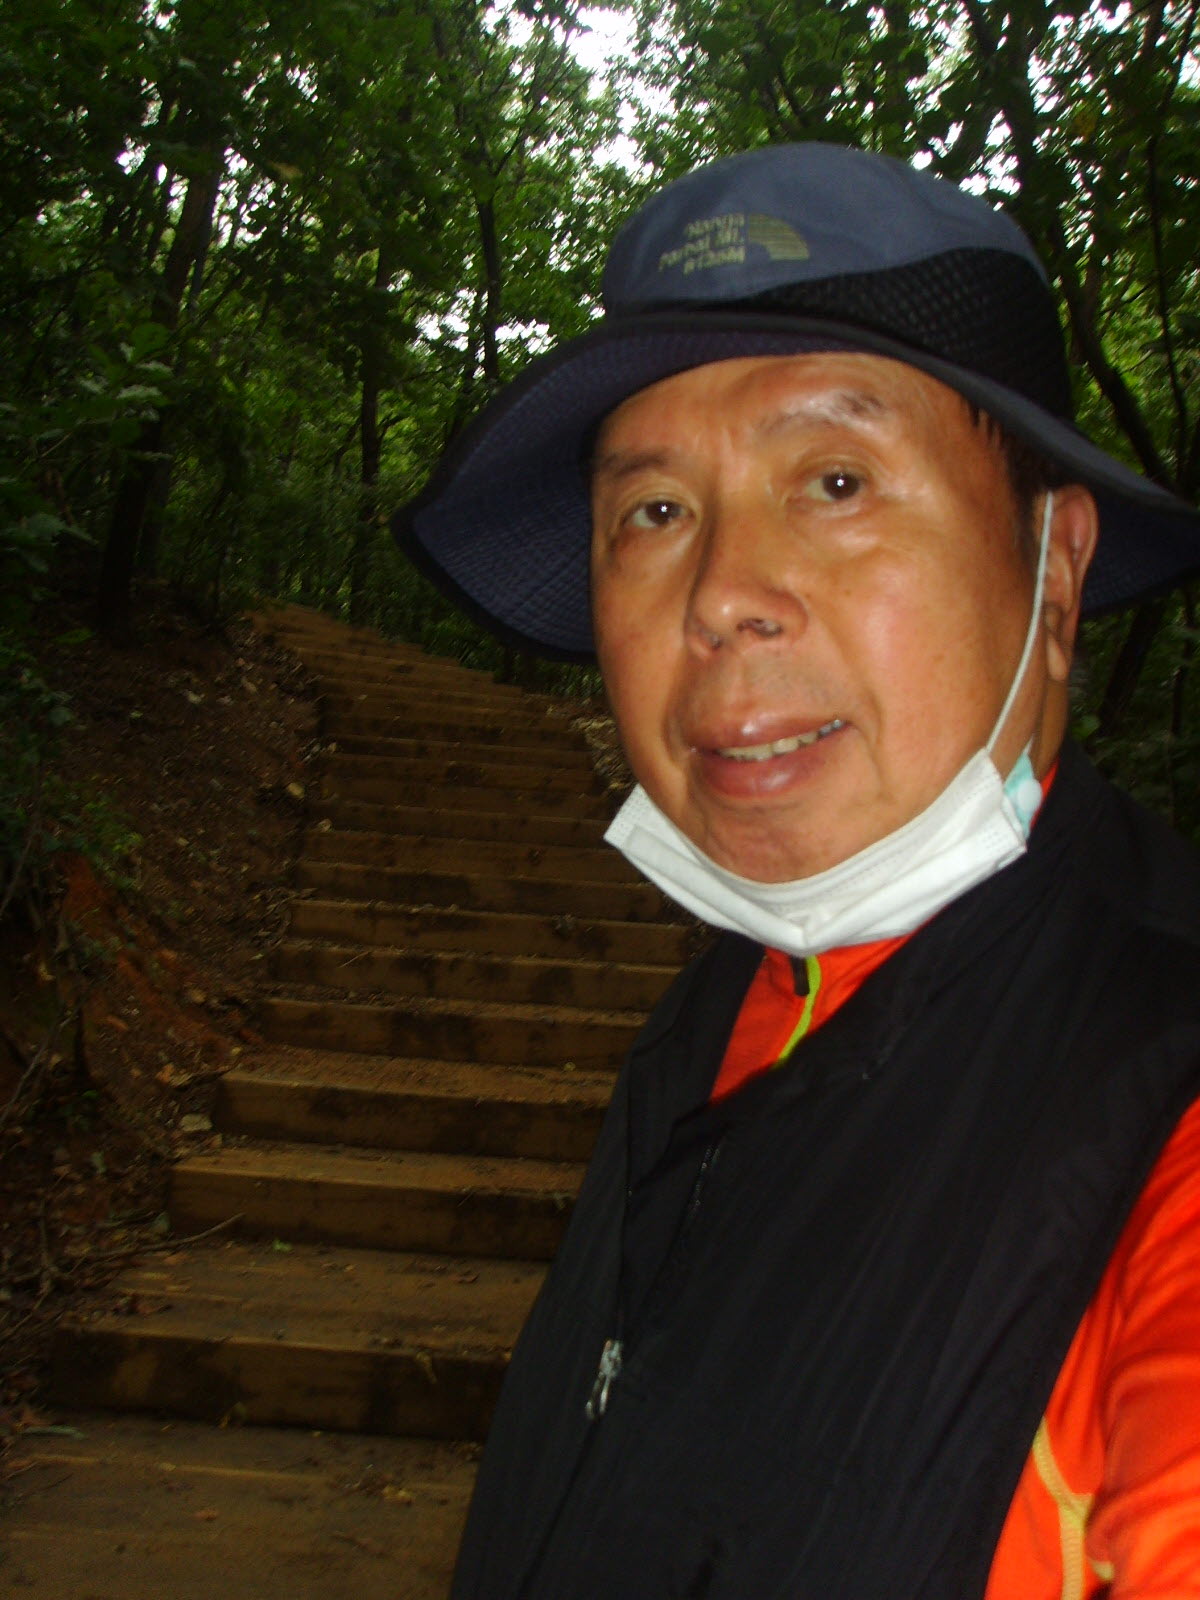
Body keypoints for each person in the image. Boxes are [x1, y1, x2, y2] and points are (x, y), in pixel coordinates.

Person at [395, 144, 1200, 1599]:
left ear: (1056, 573)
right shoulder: (717, 1020)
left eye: (835, 480)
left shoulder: (1164, 1094)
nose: (719, 596)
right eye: (654, 512)